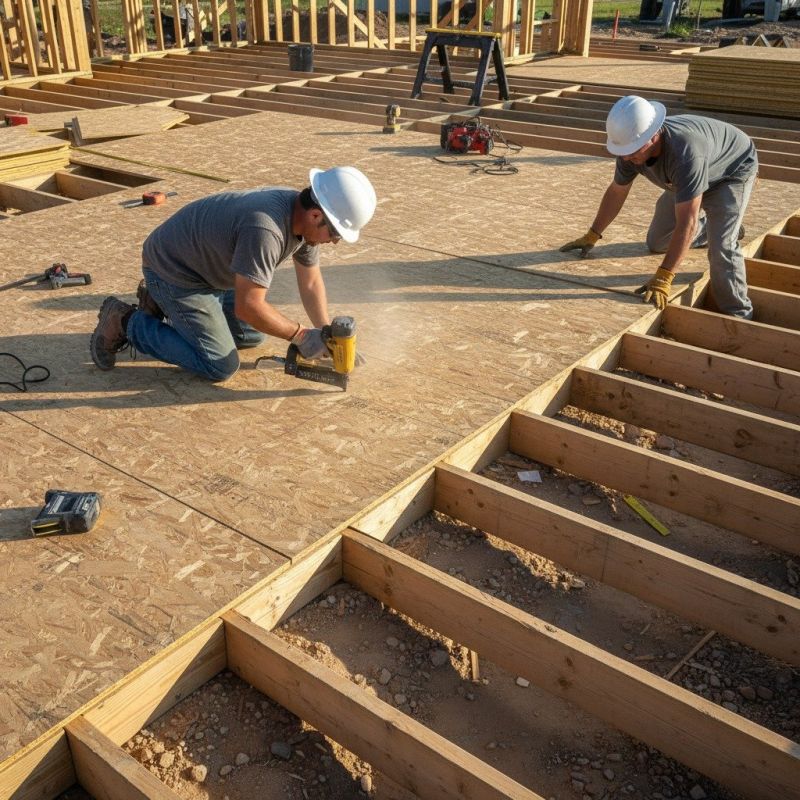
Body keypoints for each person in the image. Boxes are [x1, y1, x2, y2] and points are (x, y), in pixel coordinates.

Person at [90, 166, 377, 380]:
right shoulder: (265, 228)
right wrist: (301, 335)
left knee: (252, 337)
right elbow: (249, 306)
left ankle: (164, 306)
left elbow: (311, 281)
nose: (336, 241)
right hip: (175, 271)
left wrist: (324, 332)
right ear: (316, 215)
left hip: (211, 268)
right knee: (219, 365)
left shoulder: (302, 219)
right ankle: (126, 321)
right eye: (336, 233)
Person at [560, 95, 758, 318]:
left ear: (653, 137)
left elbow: (687, 222)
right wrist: (593, 234)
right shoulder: (628, 151)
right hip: (687, 177)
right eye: (624, 153)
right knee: (657, 242)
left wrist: (665, 275)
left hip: (730, 171)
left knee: (722, 246)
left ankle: (740, 314)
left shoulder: (684, 152)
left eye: (633, 151)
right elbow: (617, 192)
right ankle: (716, 228)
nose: (627, 158)